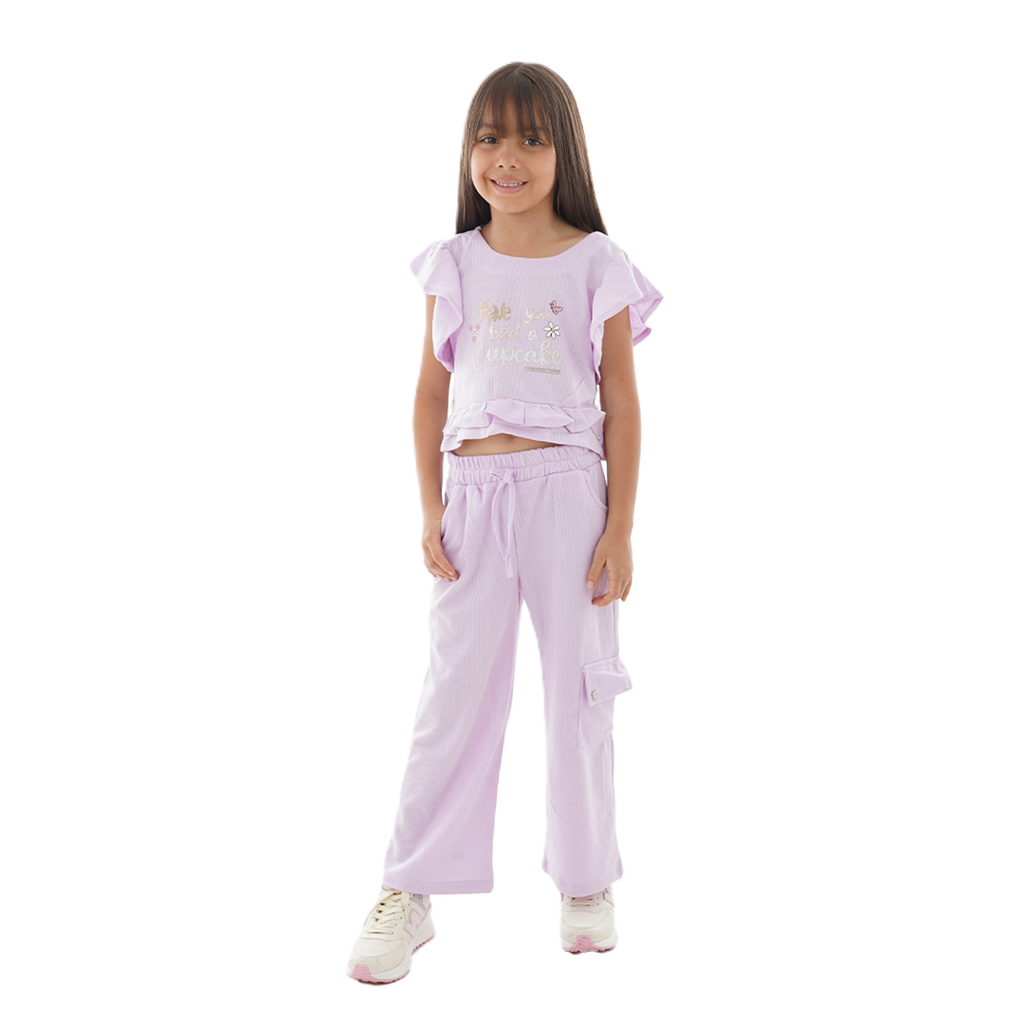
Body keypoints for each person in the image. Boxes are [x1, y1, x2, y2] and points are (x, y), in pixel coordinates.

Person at [346, 61, 666, 987]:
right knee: (455, 694)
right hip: (474, 497)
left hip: (569, 492)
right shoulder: (454, 263)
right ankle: (410, 889)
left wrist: (620, 527)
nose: (507, 158)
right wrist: (432, 508)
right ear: (467, 153)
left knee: (580, 689)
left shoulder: (597, 263)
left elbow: (622, 403)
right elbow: (429, 394)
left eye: (531, 139)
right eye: (489, 139)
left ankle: (587, 881)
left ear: (566, 152)